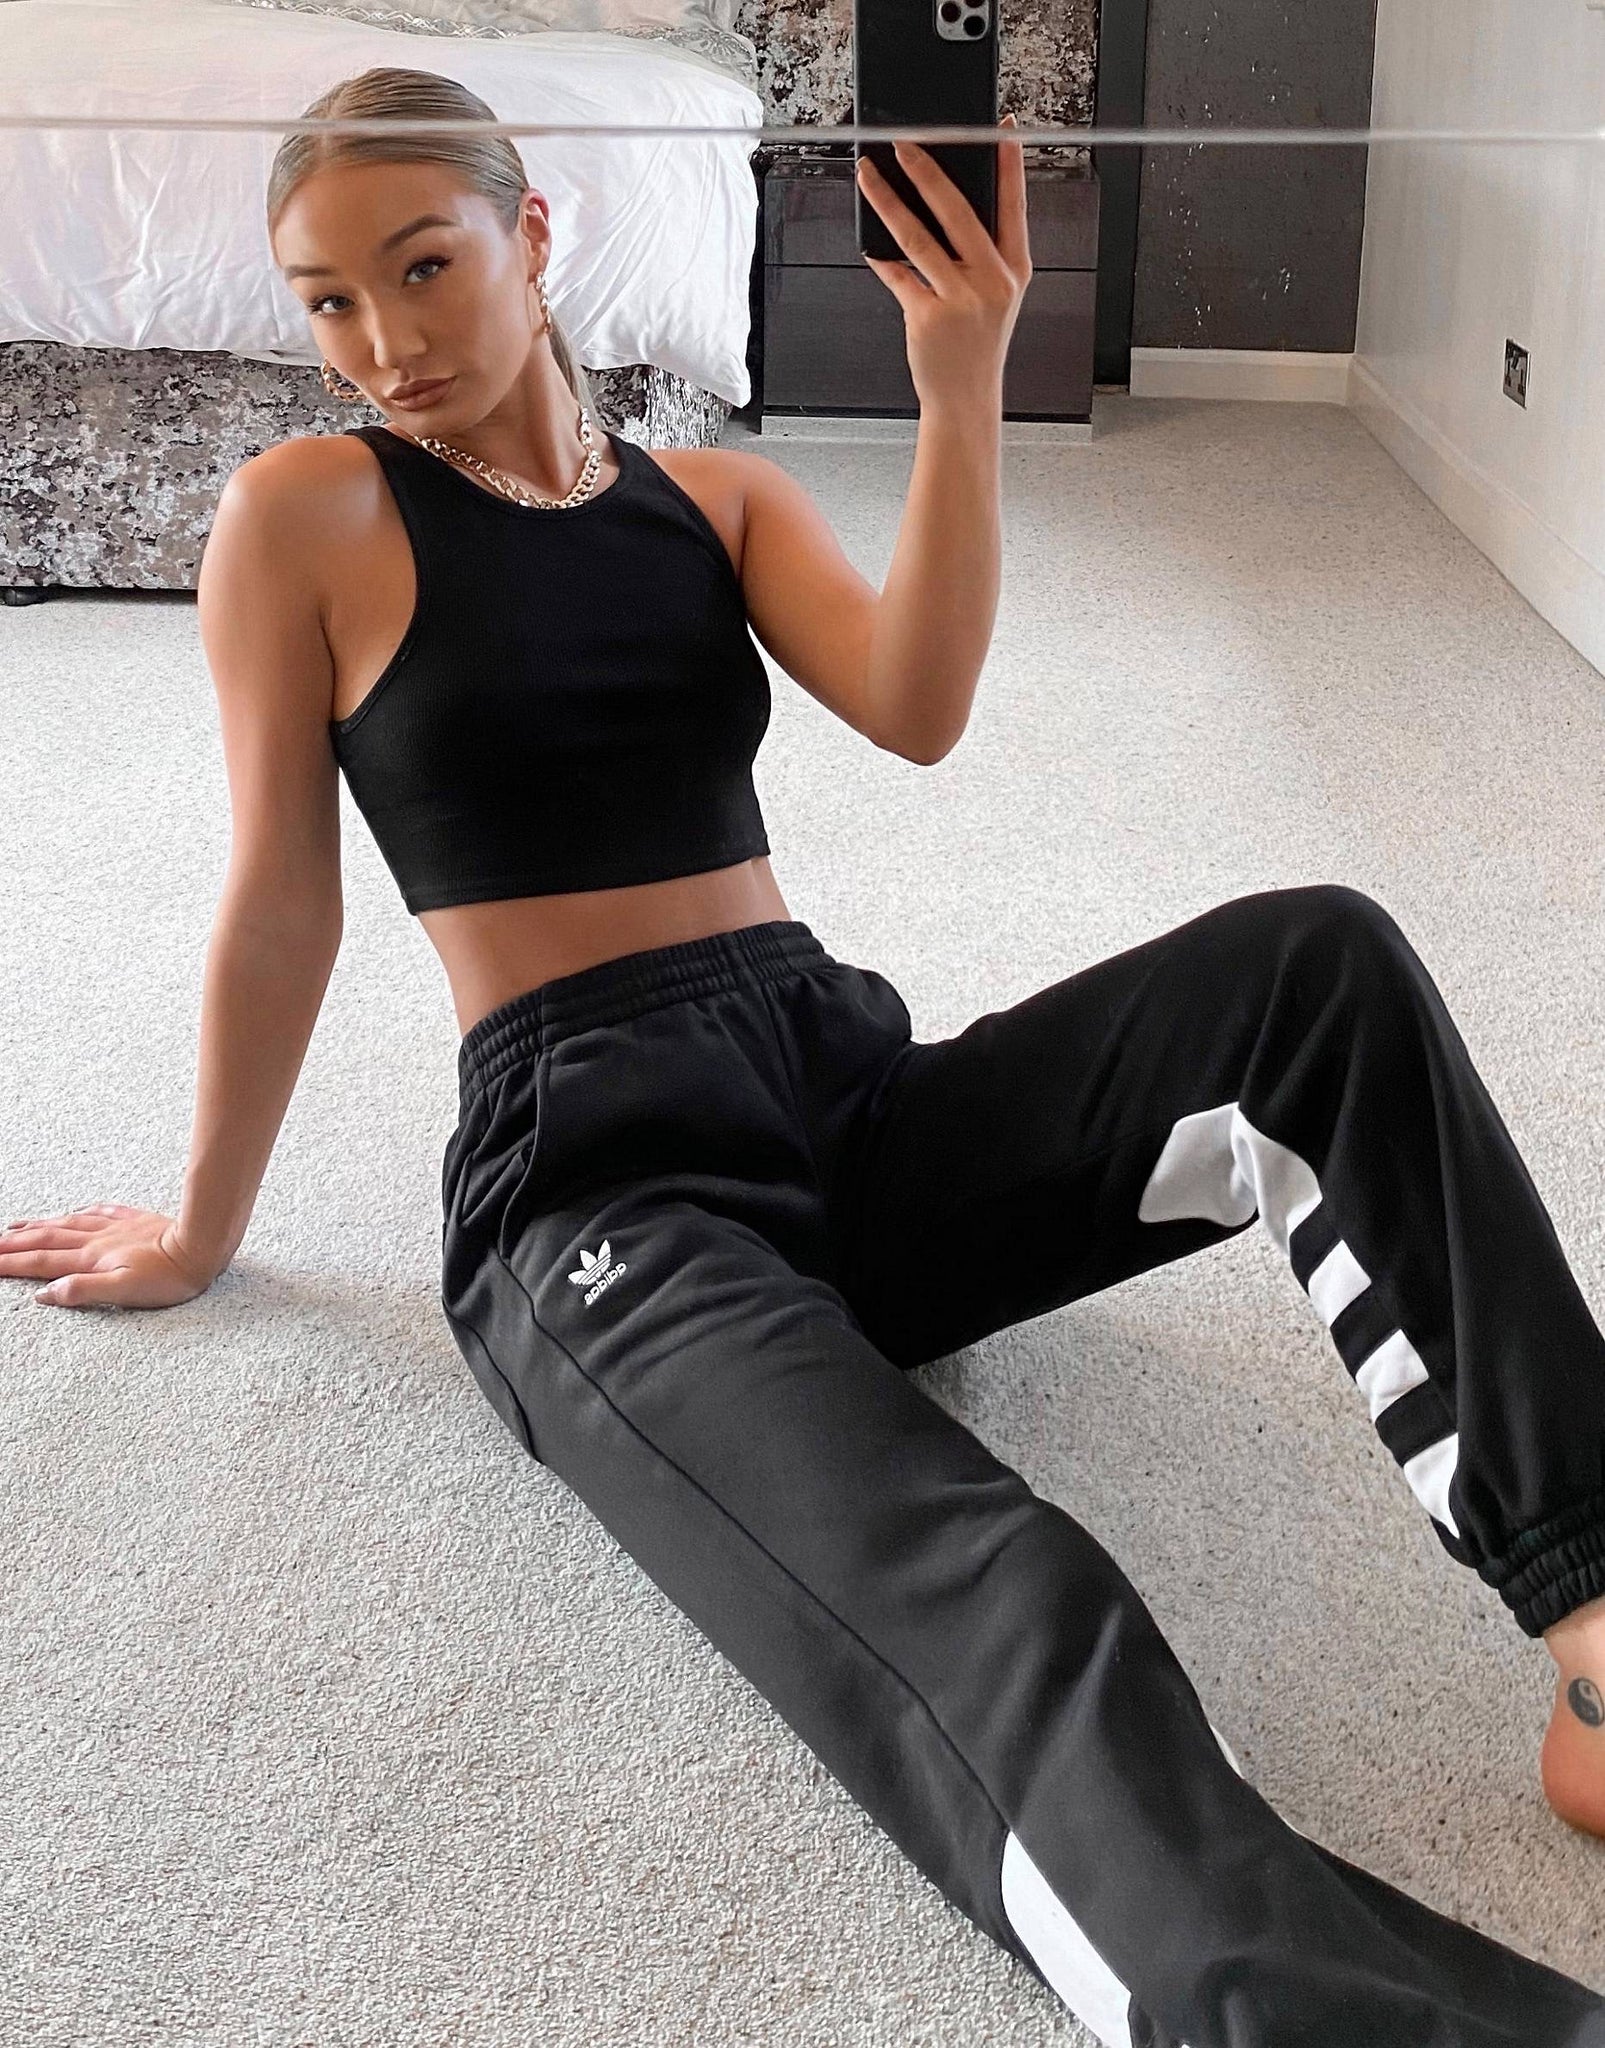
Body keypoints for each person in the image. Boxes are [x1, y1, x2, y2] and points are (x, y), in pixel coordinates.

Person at [5, 60, 1603, 2047]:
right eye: (327, 298)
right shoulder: (305, 516)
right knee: (1008, 1595)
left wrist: (960, 385)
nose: (381, 342)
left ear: (528, 235)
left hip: (837, 1088)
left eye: (420, 267)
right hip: (602, 1191)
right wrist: (198, 1224)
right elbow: (279, 904)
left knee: (1311, 967)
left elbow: (916, 706)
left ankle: (1594, 1623)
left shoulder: (714, 502)